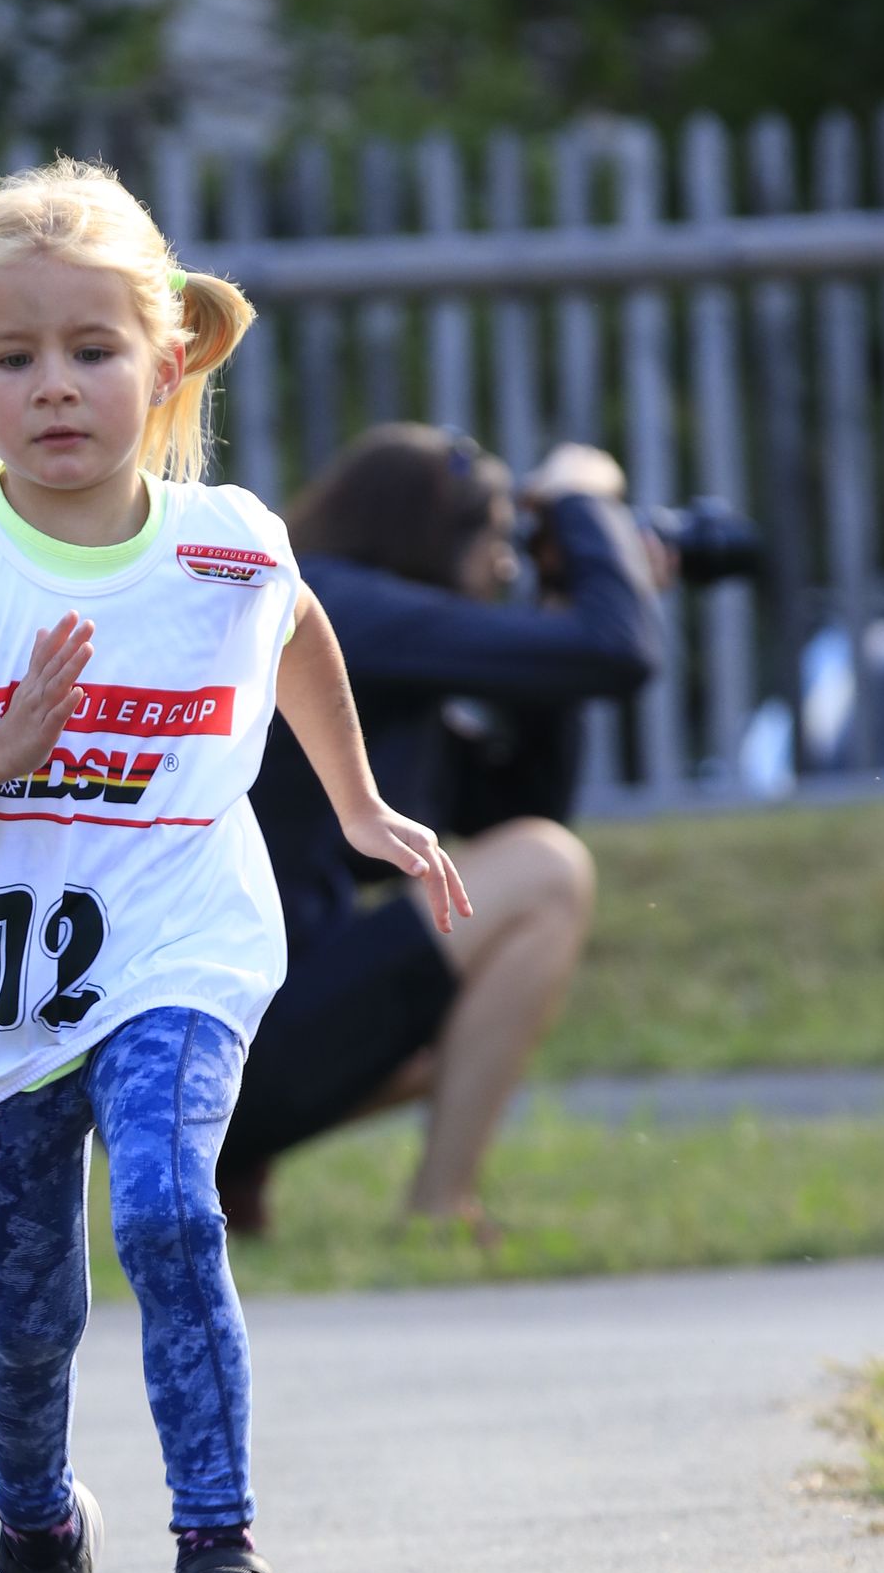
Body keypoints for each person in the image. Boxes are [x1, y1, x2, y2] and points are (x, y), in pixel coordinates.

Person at [0, 162, 468, 1573]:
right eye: (17, 357)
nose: (57, 387)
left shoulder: (229, 546)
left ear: (167, 361)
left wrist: (360, 805)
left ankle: (223, 1563)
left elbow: (293, 630)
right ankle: (40, 1542)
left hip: (184, 941)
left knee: (171, 1207)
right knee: (29, 1324)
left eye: (93, 351)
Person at [218, 425, 663, 1238]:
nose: (505, 569)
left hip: (230, 1038)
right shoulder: (337, 605)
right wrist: (582, 505)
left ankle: (230, 1174)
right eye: (498, 540)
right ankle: (440, 1209)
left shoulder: (371, 653)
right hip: (217, 1050)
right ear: (429, 532)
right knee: (549, 871)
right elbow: (613, 650)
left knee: (483, 990)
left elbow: (514, 812)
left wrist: (563, 596)